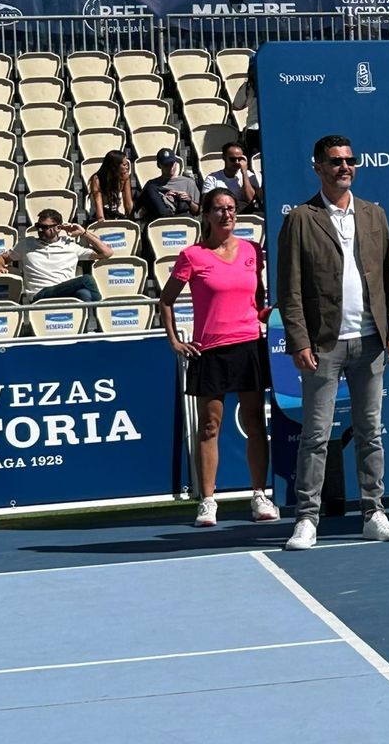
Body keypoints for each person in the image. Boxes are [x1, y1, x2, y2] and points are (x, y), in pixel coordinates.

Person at [277, 134, 389, 550]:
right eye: (335, 162)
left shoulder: (373, 215)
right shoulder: (301, 217)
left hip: (370, 341)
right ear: (318, 167)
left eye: (349, 160)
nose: (344, 168)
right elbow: (290, 288)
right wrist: (299, 339)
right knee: (316, 435)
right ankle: (306, 519)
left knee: (370, 432)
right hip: (324, 345)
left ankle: (374, 512)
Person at [158, 188, 275, 529]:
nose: (227, 214)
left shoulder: (253, 251)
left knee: (255, 422)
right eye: (219, 209)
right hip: (210, 350)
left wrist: (272, 314)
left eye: (231, 208)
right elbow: (165, 300)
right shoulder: (192, 256)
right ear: (206, 215)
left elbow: (257, 302)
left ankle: (259, 494)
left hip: (250, 345)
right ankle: (208, 501)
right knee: (210, 426)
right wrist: (176, 341)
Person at [0, 209, 111, 303]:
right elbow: (1, 258)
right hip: (39, 294)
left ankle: (87, 328)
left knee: (84, 293)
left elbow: (107, 253)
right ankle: (102, 312)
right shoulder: (26, 244)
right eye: (38, 226)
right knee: (87, 280)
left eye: (45, 227)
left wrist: (84, 233)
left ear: (58, 228)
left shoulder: (70, 246)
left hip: (66, 292)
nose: (40, 230)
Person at [135, 148, 202, 219]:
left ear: (176, 163)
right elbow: (140, 212)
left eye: (171, 164)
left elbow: (196, 211)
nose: (170, 167)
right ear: (159, 165)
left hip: (182, 221)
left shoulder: (188, 182)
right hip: (159, 222)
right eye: (166, 165)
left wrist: (189, 201)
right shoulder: (152, 185)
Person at [201, 141, 263, 213]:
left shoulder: (249, 176)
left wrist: (244, 173)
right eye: (232, 159)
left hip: (244, 213)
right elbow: (206, 202)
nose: (237, 162)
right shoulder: (212, 178)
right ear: (224, 158)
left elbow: (251, 200)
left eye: (240, 159)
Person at [90, 149, 135, 222]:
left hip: (116, 214)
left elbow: (128, 204)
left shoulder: (125, 177)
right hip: (101, 215)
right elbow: (99, 212)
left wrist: (131, 222)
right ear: (115, 166)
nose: (127, 167)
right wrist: (102, 221)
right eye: (124, 165)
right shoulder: (97, 179)